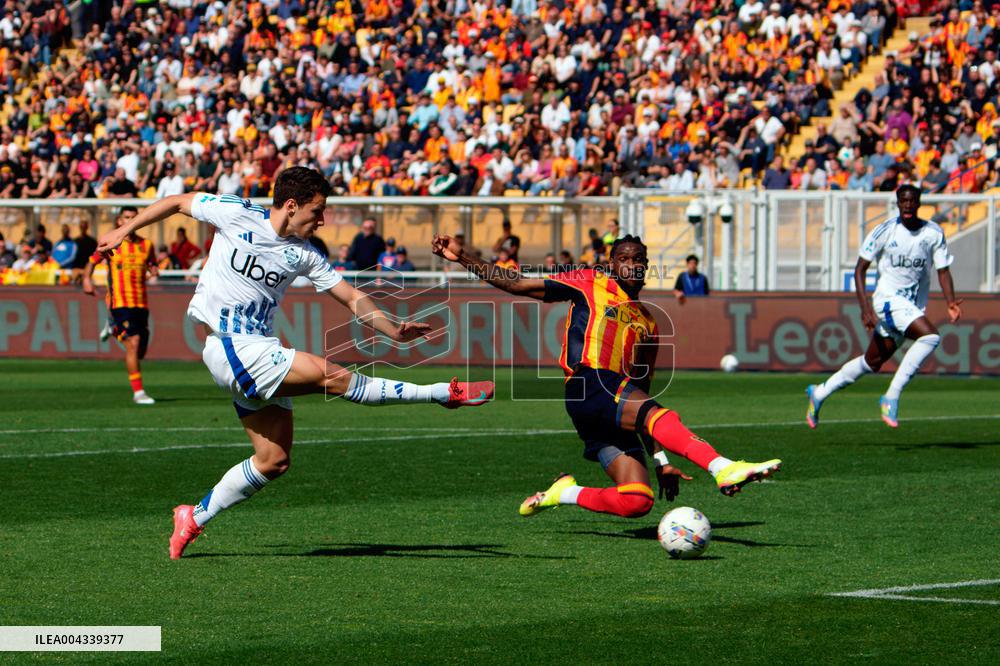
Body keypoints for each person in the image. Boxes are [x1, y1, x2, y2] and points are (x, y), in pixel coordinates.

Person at [96, 167, 494, 560]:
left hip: (255, 350)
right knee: (333, 377)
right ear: (291, 204)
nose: (322, 220)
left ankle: (194, 516)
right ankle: (443, 393)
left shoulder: (304, 254)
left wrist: (392, 329)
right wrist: (122, 231)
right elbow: (178, 202)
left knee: (273, 461)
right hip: (231, 346)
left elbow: (351, 296)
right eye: (317, 210)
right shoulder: (236, 212)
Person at [432, 232, 780, 522]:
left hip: (610, 403)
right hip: (589, 383)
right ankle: (721, 466)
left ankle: (564, 493)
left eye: (640, 259)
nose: (633, 264)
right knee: (663, 415)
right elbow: (518, 283)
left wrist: (661, 461)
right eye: (625, 258)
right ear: (611, 264)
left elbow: (641, 397)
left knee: (637, 500)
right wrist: (464, 256)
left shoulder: (648, 322)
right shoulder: (589, 281)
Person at [806, 185, 962, 429]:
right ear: (897, 203)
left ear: (919, 203)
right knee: (930, 337)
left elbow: (943, 271)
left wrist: (951, 301)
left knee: (872, 362)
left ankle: (820, 393)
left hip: (911, 306)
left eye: (912, 201)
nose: (907, 205)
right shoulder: (885, 231)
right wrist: (865, 308)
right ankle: (891, 396)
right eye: (903, 201)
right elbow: (860, 268)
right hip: (887, 300)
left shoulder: (933, 233)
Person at [83, 206, 158, 405]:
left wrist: (153, 269)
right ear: (119, 221)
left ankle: (113, 328)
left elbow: (152, 263)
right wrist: (86, 280)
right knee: (133, 344)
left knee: (140, 349)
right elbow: (92, 261)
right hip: (119, 301)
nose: (130, 220)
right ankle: (138, 392)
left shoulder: (147, 244)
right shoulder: (112, 242)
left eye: (134, 217)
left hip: (141, 302)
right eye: (126, 217)